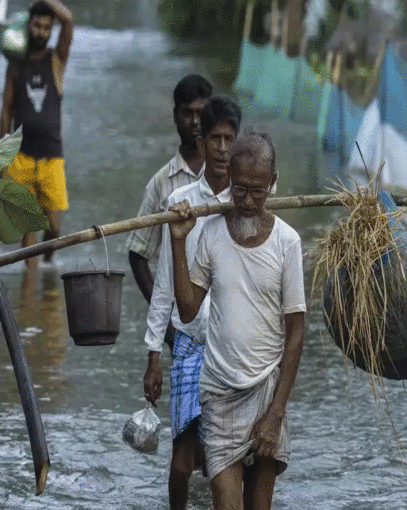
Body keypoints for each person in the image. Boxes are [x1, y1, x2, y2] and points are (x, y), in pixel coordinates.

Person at [170, 133, 306, 510]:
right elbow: (186, 310)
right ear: (228, 178)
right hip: (219, 394)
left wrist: (275, 413)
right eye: (240, 190)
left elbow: (296, 332)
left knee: (259, 505)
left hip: (267, 392)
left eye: (258, 192)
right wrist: (178, 241)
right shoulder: (211, 234)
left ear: (273, 183)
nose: (247, 202)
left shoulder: (287, 243)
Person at [143, 96, 241, 510]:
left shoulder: (247, 202)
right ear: (200, 142)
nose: (221, 148)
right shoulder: (180, 202)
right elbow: (165, 280)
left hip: (234, 341)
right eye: (214, 138)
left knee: (233, 456)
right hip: (189, 341)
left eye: (229, 139)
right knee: (182, 457)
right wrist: (152, 354)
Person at [127, 74, 212, 307]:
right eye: (188, 113)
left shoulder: (227, 174)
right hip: (181, 317)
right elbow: (138, 253)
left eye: (201, 114)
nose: (195, 121)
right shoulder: (161, 183)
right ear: (176, 116)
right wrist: (165, 324)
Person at [0, 0, 73, 268]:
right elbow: (6, 110)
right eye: (37, 25)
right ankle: (30, 293)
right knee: (28, 232)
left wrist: (45, 3)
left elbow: (68, 20)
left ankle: (48, 263)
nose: (41, 31)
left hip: (52, 155)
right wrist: (1, 156)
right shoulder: (15, 65)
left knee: (54, 228)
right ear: (28, 26)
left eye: (46, 27)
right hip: (20, 156)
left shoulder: (56, 59)